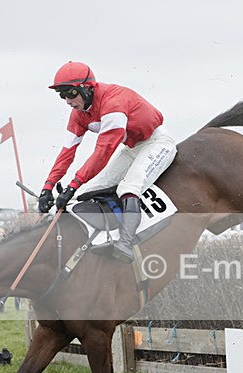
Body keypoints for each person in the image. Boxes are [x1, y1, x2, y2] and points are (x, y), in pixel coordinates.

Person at [38, 61, 177, 263]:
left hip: (158, 143)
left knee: (128, 187)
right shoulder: (78, 115)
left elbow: (103, 152)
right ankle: (105, 238)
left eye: (70, 93)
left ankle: (126, 244)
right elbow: (67, 152)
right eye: (62, 95)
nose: (67, 101)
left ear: (87, 88)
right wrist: (47, 186)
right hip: (133, 148)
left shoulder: (114, 102)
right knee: (90, 190)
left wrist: (72, 185)